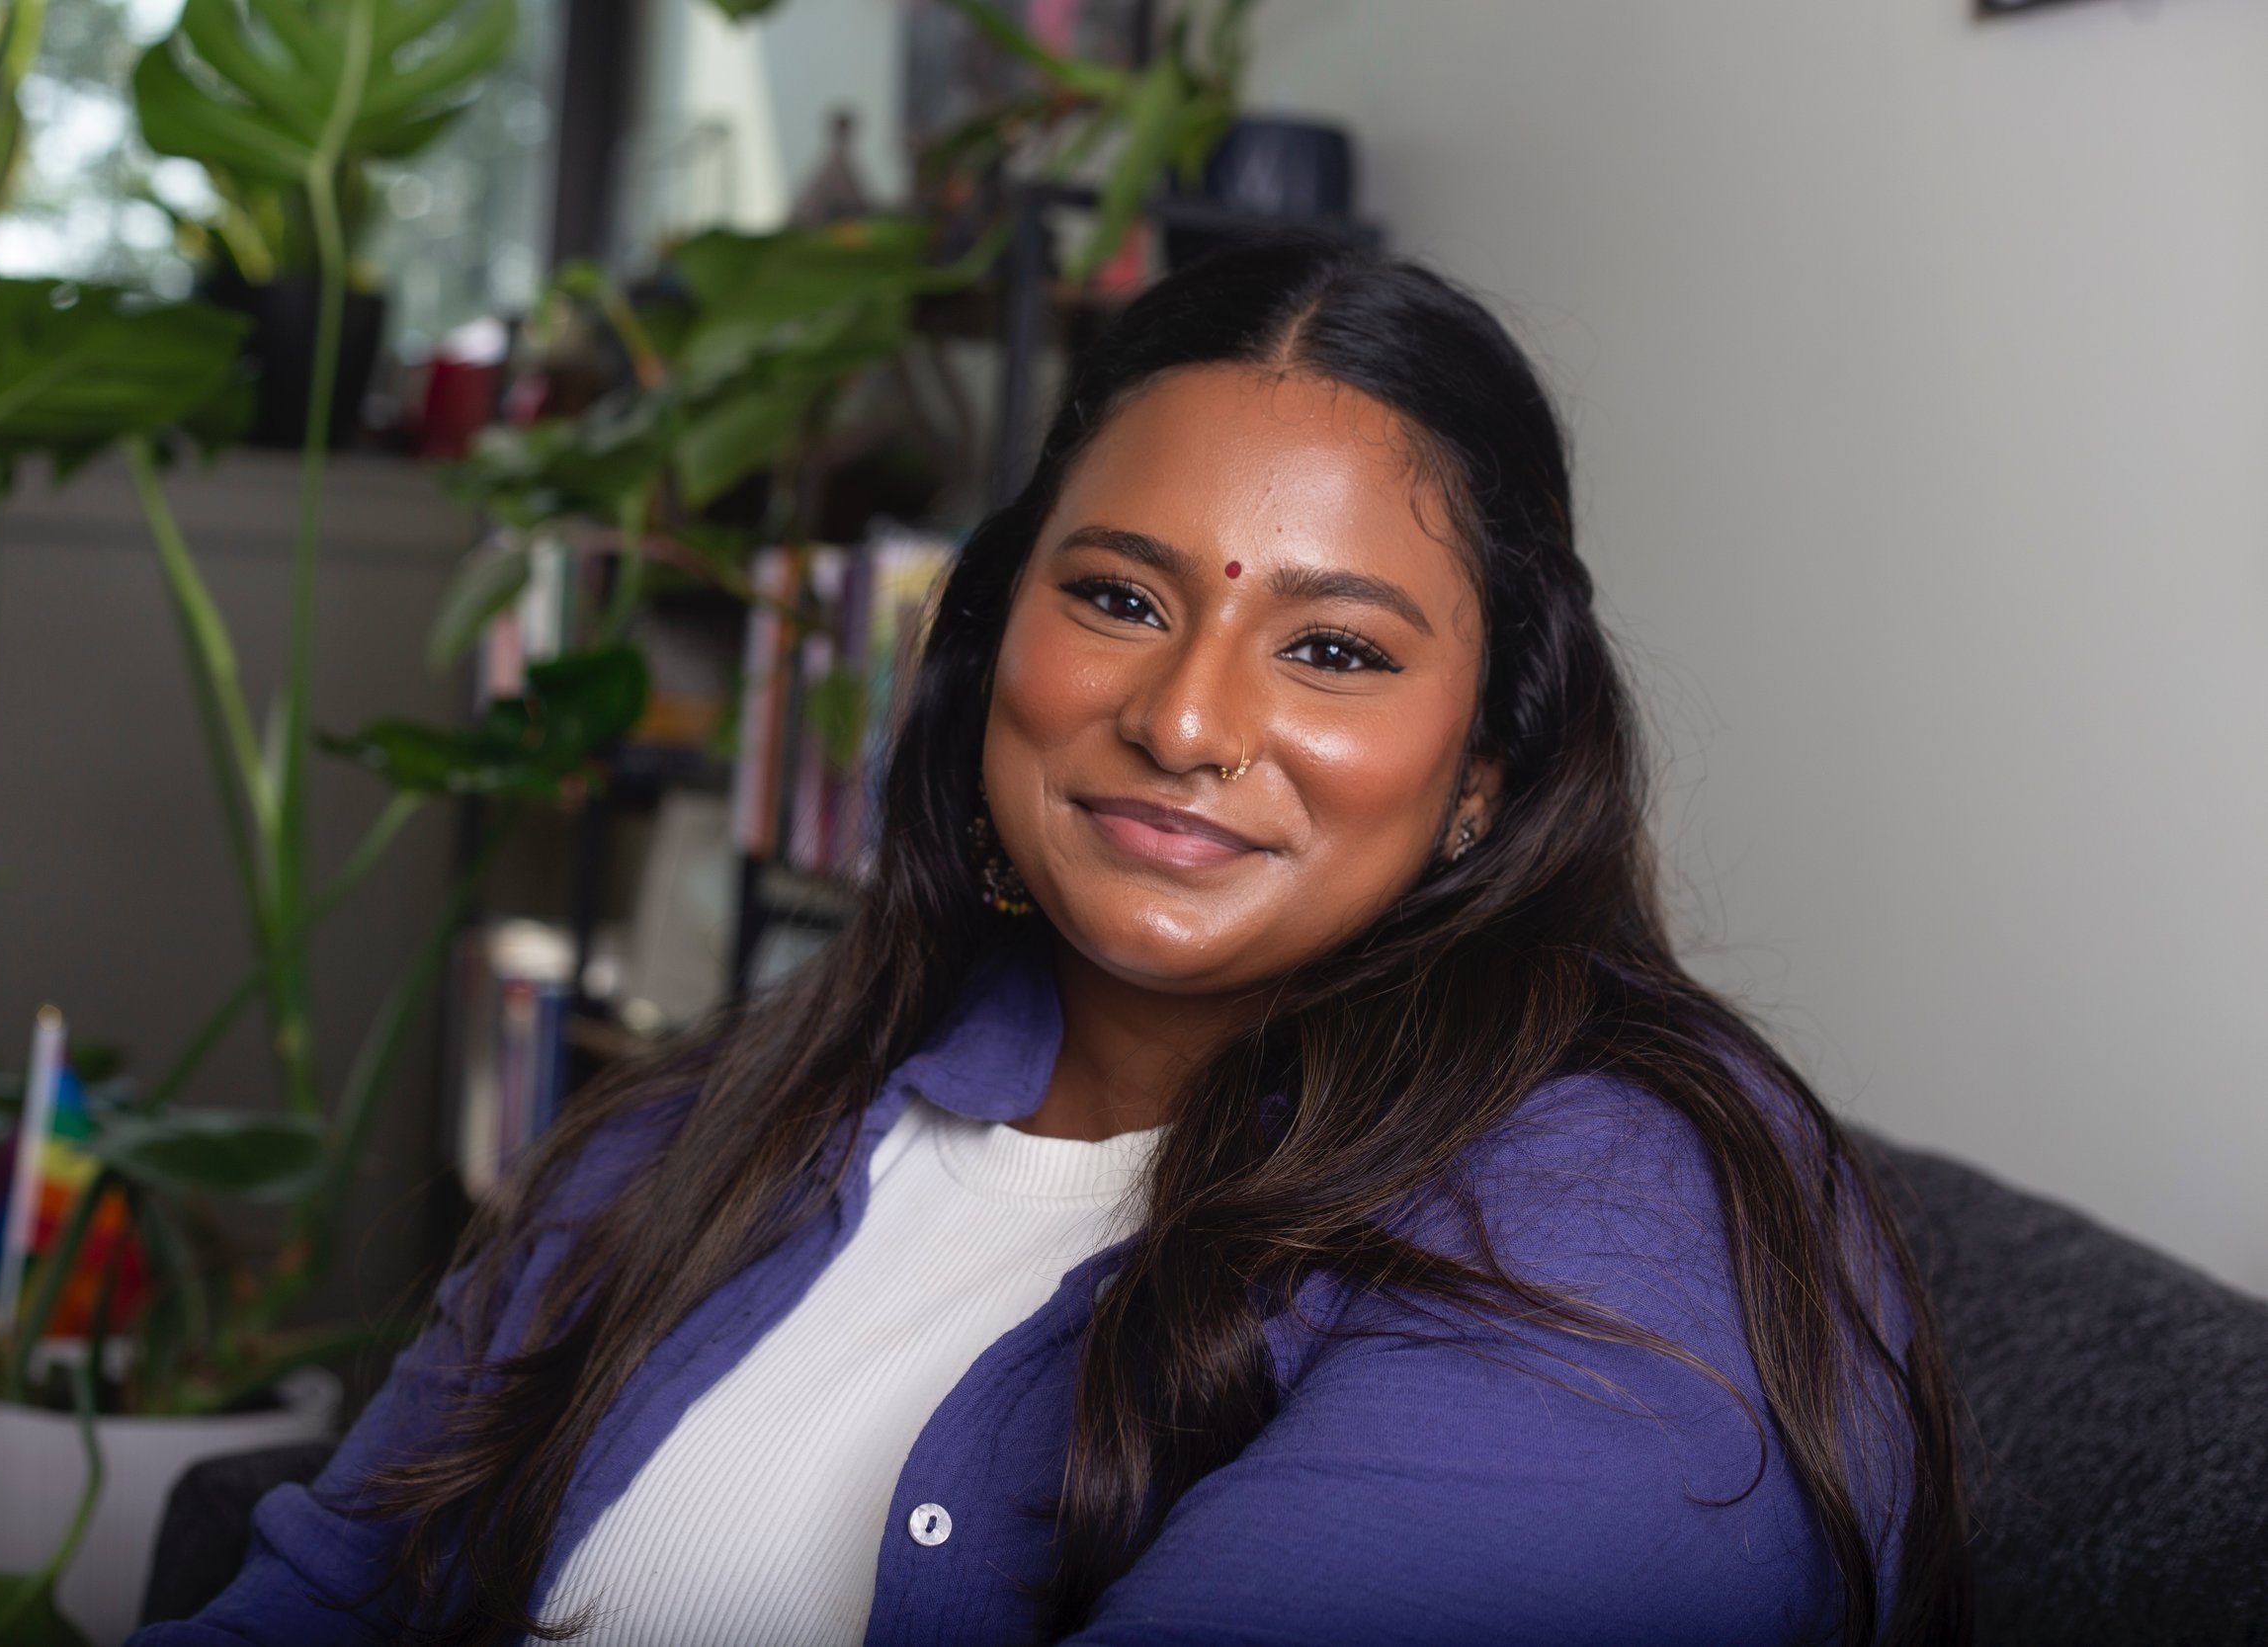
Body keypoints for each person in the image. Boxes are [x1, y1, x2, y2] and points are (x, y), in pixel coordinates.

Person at [135, 240, 1967, 1647]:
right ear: (993, 628)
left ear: (1487, 770)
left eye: (1334, 648)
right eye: (1115, 597)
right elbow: (321, 1594)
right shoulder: (715, 1117)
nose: (1185, 720)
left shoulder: (1618, 1207)